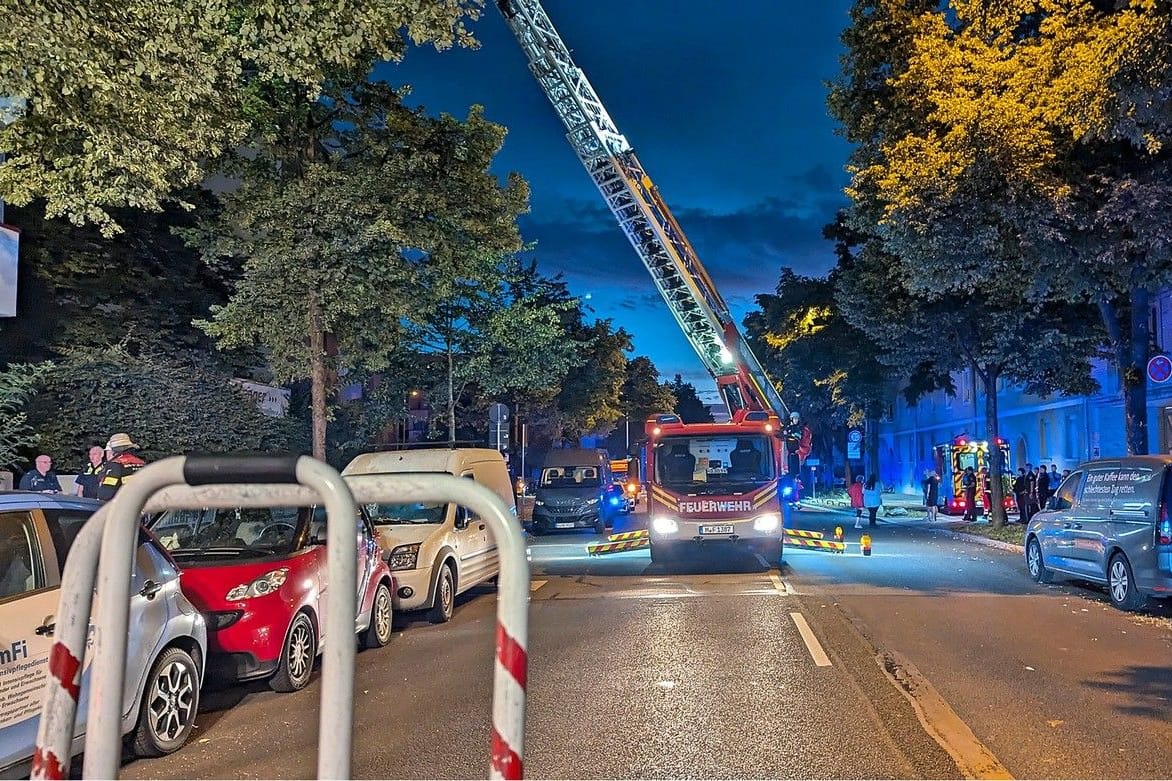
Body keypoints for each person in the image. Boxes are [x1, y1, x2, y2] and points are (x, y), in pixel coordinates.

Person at [95, 433, 146, 501]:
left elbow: (107, 492)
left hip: (123, 505)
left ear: (113, 450)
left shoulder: (116, 464)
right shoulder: (141, 463)